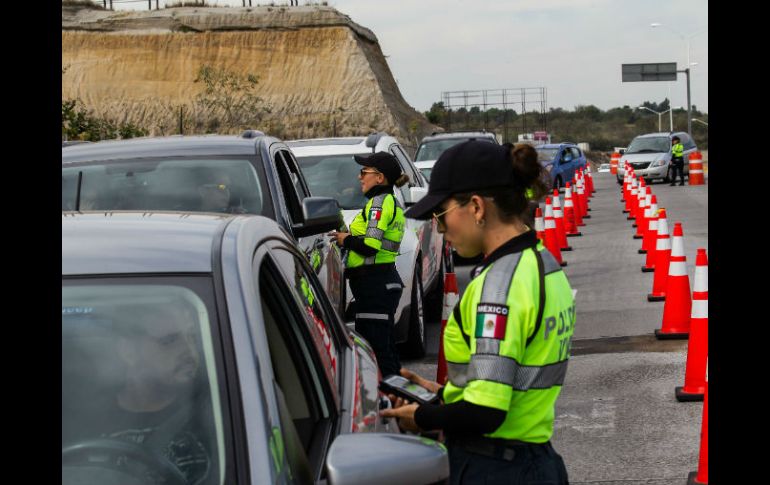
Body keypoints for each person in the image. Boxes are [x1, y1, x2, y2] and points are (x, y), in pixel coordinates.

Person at [381, 141, 574, 485]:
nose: (441, 230)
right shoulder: (543, 263)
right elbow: (510, 375)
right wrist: (444, 394)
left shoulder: (498, 287)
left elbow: (486, 411)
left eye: (440, 215)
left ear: (476, 207)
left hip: (496, 468)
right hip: (535, 461)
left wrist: (423, 415)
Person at [98, 302, 211, 484]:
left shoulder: (217, 409)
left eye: (192, 337)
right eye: (169, 341)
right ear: (129, 352)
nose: (189, 351)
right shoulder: (86, 417)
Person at [329, 151, 409, 377]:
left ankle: (391, 403)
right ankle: (394, 401)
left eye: (364, 172)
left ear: (380, 177)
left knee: (377, 353)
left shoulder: (380, 204)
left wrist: (347, 239)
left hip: (376, 285)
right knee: (384, 348)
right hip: (378, 284)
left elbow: (370, 245)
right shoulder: (385, 202)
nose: (359, 177)